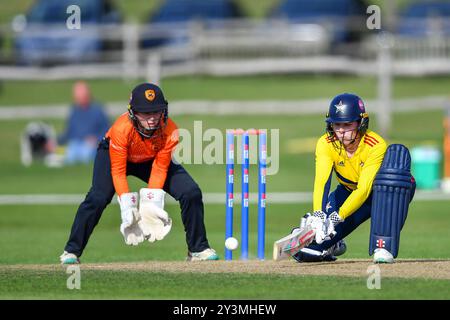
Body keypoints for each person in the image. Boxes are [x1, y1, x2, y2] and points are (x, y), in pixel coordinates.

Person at [59, 83, 219, 264]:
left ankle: (197, 249)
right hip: (116, 155)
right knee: (97, 197)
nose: (152, 119)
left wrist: (151, 203)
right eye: (146, 113)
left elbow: (160, 168)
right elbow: (118, 171)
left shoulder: (170, 130)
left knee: (191, 192)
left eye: (156, 112)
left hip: (151, 159)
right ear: (133, 113)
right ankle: (71, 251)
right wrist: (127, 207)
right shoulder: (121, 129)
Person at [287, 93, 415, 264]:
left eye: (347, 125)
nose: (340, 131)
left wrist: (335, 218)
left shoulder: (375, 145)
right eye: (336, 124)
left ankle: (384, 246)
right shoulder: (325, 143)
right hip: (347, 191)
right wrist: (319, 215)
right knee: (306, 253)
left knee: (388, 189)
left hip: (378, 194)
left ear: (361, 123)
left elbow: (363, 189)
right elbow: (321, 182)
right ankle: (335, 243)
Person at [58, 81, 110, 165]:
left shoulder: (98, 110)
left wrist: (96, 139)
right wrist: (55, 141)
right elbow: (68, 132)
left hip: (91, 145)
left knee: (85, 154)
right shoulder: (74, 111)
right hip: (75, 144)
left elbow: (107, 131)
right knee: (70, 155)